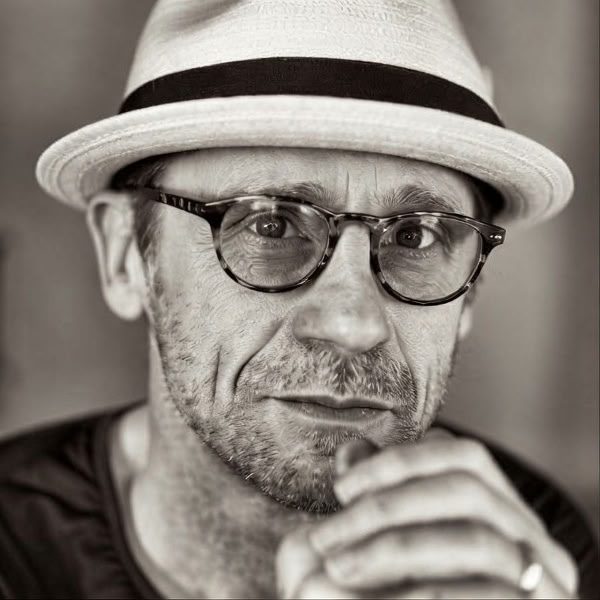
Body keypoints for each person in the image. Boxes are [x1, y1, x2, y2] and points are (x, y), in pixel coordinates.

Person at [0, 0, 597, 597]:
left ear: (472, 291)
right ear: (126, 255)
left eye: (416, 237)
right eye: (271, 226)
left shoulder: (525, 552)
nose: (353, 324)